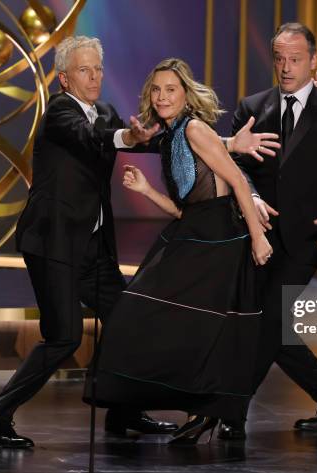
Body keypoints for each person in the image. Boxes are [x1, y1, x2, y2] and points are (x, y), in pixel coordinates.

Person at [0, 36, 277, 448]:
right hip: (54, 243)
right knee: (63, 337)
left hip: (92, 247)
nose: (95, 76)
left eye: (98, 68)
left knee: (128, 318)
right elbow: (98, 136)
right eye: (85, 70)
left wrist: (227, 144)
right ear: (64, 78)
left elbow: (167, 138)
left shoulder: (105, 112)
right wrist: (128, 140)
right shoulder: (59, 113)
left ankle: (125, 412)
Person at [84, 57, 273, 444]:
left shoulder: (195, 129)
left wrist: (258, 237)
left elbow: (237, 179)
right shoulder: (168, 136)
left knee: (200, 328)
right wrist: (146, 192)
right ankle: (187, 411)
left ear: (185, 94)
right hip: (190, 230)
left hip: (218, 238)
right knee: (163, 320)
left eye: (170, 89)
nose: (162, 96)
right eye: (156, 89)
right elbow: (184, 207)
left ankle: (203, 412)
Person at [220, 22, 317, 440]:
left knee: (268, 320)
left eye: (295, 59)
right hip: (258, 233)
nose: (285, 67)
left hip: (307, 238)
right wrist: (251, 196)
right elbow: (237, 168)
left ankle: (230, 410)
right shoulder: (252, 106)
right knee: (269, 322)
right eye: (279, 58)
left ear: (313, 61)